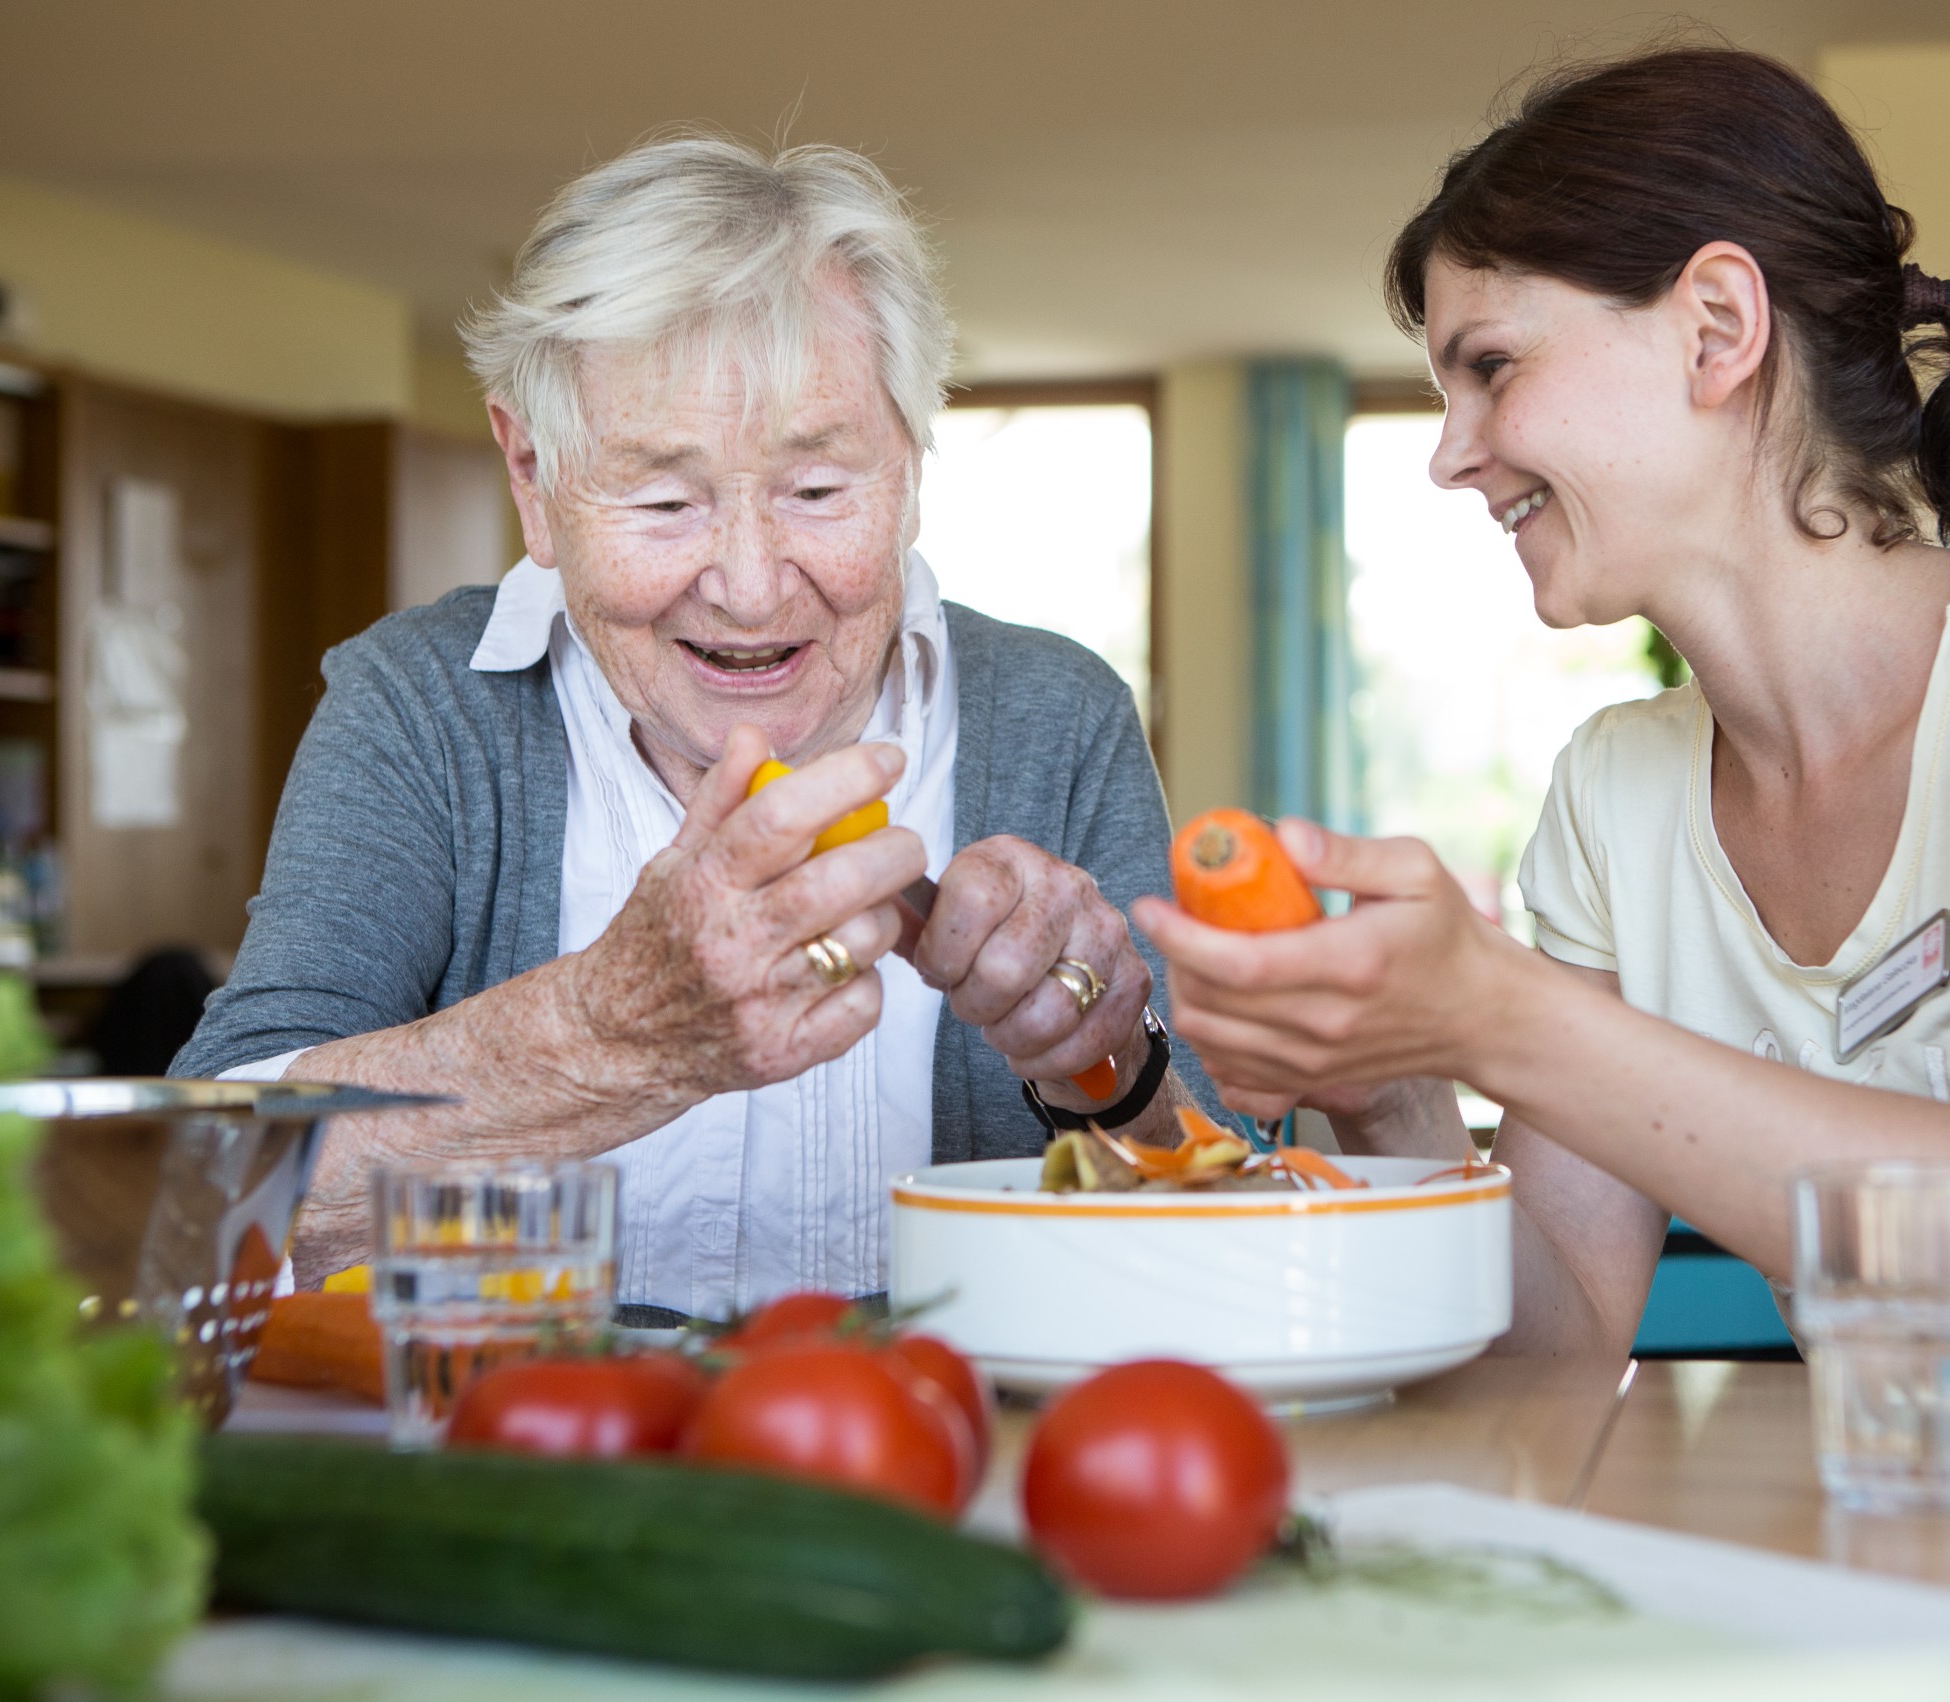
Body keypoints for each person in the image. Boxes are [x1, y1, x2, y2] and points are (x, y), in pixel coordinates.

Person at [1137, 47, 1950, 1403]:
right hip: (1936, 1563)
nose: (1451, 451)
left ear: (1716, 327)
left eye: (1493, 366)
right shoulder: (1616, 797)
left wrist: (1502, 1014)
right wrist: (1394, 1077)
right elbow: (1557, 1333)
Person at [175, 136, 1206, 1315]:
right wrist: (610, 1032)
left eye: (818, 491)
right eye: (664, 500)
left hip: (942, 1466)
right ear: (532, 476)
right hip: (523, 1472)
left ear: (912, 466)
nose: (752, 586)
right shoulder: (420, 703)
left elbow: (1218, 1209)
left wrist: (1101, 1064)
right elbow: (197, 1195)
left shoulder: (1056, 717)